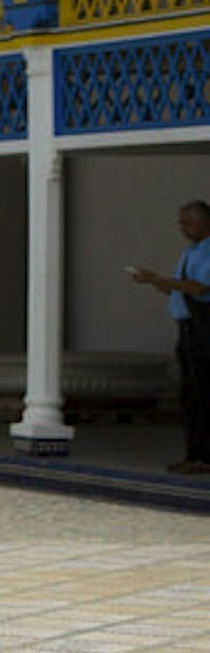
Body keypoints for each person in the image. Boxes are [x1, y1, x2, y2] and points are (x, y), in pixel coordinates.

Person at [120, 198, 210, 473]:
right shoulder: (191, 253)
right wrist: (155, 282)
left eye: (187, 222)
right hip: (187, 330)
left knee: (204, 394)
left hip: (203, 330)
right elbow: (178, 289)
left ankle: (204, 457)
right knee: (191, 395)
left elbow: (199, 288)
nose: (182, 228)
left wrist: (157, 278)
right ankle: (194, 453)